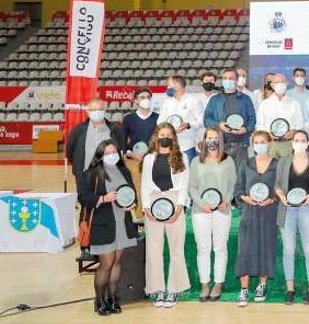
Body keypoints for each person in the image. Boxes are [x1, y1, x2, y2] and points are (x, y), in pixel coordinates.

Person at [79, 140, 138, 315]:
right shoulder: (91, 173)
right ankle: (100, 300)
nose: (112, 155)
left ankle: (113, 299)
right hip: (103, 225)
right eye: (107, 153)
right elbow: (83, 197)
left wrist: (132, 204)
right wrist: (104, 198)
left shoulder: (124, 171)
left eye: (114, 152)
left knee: (117, 262)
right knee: (106, 264)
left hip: (122, 223)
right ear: (100, 155)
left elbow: (132, 192)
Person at [274, 130, 309, 305]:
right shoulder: (283, 161)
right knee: (288, 249)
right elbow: (277, 185)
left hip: (307, 209)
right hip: (287, 210)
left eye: (302, 140)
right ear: (292, 142)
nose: (299, 142)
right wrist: (281, 196)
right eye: (296, 140)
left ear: (308, 142)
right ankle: (290, 288)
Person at [141, 123, 190, 308]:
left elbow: (184, 184)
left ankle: (173, 289)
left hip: (174, 201)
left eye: (169, 134)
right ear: (156, 136)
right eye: (162, 134)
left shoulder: (182, 157)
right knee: (154, 249)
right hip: (153, 203)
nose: (165, 137)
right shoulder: (148, 159)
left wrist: (179, 207)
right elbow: (145, 184)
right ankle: (158, 289)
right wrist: (146, 207)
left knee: (176, 249)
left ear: (174, 137)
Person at [188, 127, 237, 302]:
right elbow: (192, 187)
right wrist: (202, 204)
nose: (212, 140)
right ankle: (204, 284)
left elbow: (232, 184)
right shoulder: (195, 161)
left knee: (220, 248)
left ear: (221, 140)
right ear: (204, 140)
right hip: (201, 211)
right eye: (209, 137)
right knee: (203, 248)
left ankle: (218, 283)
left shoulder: (228, 161)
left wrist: (227, 201)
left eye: (216, 137)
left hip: (222, 210)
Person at [235, 131, 280, 307]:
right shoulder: (245, 163)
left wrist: (273, 199)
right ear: (252, 144)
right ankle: (244, 290)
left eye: (263, 142)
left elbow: (280, 189)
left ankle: (262, 286)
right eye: (256, 142)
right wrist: (246, 198)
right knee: (245, 248)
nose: (259, 145)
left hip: (269, 213)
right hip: (249, 212)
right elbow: (238, 189)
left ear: (269, 143)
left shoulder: (278, 165)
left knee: (266, 247)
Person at [67, 98, 125, 189]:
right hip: (84, 175)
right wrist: (79, 168)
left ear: (105, 110)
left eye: (99, 109)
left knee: (108, 201)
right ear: (88, 111)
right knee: (87, 201)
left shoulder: (115, 129)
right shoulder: (78, 130)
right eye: (93, 110)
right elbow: (70, 152)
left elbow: (121, 150)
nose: (96, 112)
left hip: (110, 175)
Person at [204, 68, 256, 171]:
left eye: (231, 78)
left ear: (236, 81)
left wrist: (246, 129)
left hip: (241, 144)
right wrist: (219, 124)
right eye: (225, 78)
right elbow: (206, 119)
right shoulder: (214, 99)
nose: (227, 80)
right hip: (220, 143)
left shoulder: (246, 99)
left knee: (240, 176)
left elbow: (252, 119)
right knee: (221, 174)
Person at [121, 87, 158, 218]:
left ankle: (156, 213)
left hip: (154, 158)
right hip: (134, 159)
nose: (146, 100)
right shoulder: (128, 119)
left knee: (154, 186)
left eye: (148, 97)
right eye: (142, 97)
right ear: (135, 101)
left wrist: (153, 155)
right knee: (138, 184)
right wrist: (131, 154)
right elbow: (122, 142)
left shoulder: (158, 118)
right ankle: (140, 216)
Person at [157, 75, 204, 162]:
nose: (168, 87)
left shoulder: (193, 100)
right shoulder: (167, 102)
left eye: (169, 85)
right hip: (169, 146)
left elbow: (201, 121)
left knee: (188, 174)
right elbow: (159, 121)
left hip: (187, 147)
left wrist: (188, 124)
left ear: (177, 85)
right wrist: (167, 128)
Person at [257, 73, 304, 160]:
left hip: (288, 144)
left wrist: (294, 131)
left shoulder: (295, 103)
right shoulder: (264, 104)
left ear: (287, 84)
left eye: (282, 82)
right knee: (271, 171)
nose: (280, 84)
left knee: (287, 171)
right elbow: (259, 125)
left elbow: (300, 124)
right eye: (277, 82)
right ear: (272, 85)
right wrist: (267, 134)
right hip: (270, 144)